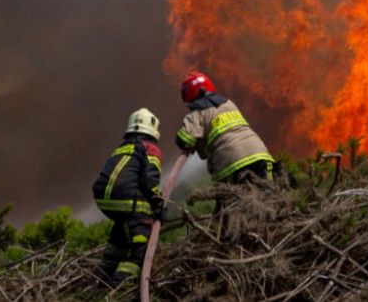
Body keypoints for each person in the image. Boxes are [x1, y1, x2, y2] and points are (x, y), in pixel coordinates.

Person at [91, 108, 164, 287]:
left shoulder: (121, 148)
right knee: (142, 248)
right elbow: (150, 182)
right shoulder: (150, 149)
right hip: (126, 201)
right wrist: (158, 207)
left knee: (122, 237)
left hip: (105, 201)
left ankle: (101, 282)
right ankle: (120, 287)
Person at [175, 72, 279, 185]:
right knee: (270, 192)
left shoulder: (196, 115)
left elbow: (183, 140)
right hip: (261, 155)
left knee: (236, 196)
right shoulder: (229, 104)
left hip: (231, 165)